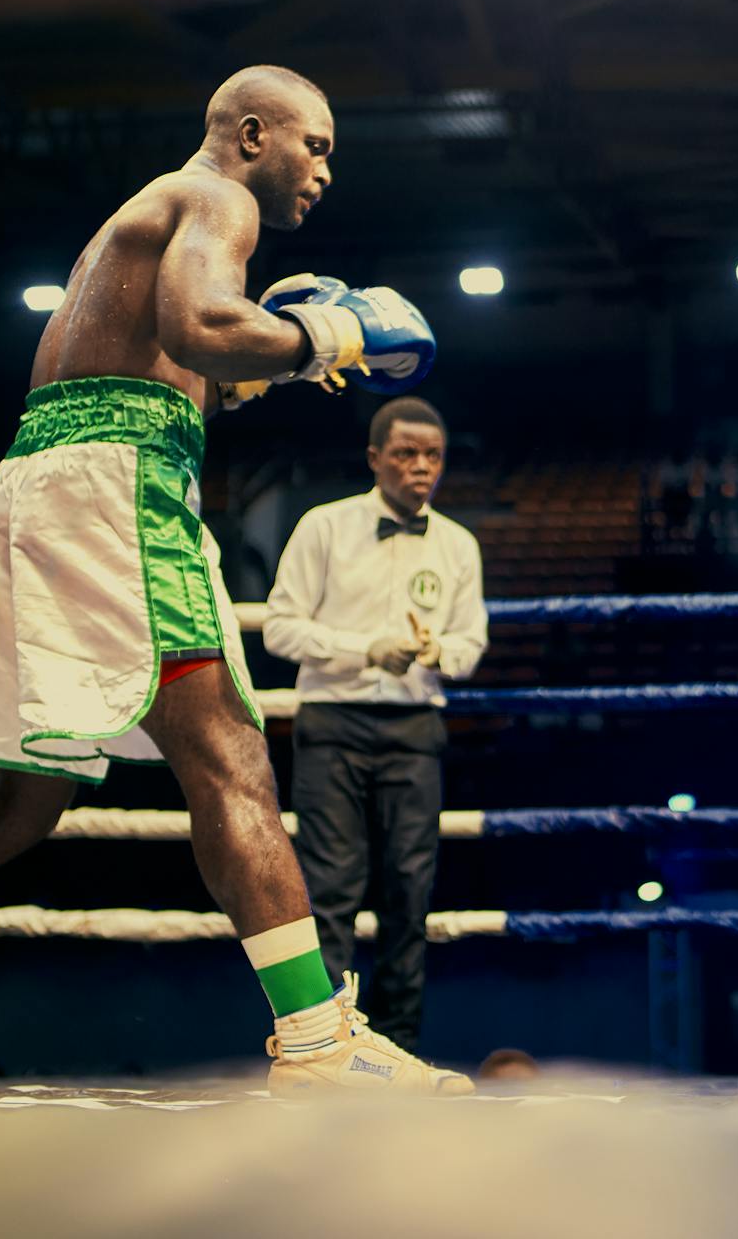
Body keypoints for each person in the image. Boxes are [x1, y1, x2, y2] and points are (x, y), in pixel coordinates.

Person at [0, 66, 470, 1096]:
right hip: (116, 487)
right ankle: (316, 1039)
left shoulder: (149, 219)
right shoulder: (212, 195)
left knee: (20, 798)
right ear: (253, 133)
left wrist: (280, 356)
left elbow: (186, 365)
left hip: (48, 481)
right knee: (229, 758)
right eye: (317, 144)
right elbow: (200, 331)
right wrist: (335, 334)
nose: (325, 170)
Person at [262, 397, 487, 1050]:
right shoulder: (324, 527)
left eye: (433, 455)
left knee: (409, 897)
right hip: (333, 721)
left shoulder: (458, 544)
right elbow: (279, 626)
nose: (421, 467)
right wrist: (363, 649)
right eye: (406, 453)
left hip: (416, 726)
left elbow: (471, 642)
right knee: (329, 890)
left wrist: (434, 650)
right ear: (375, 458)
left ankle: (400, 1045)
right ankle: (324, 1047)